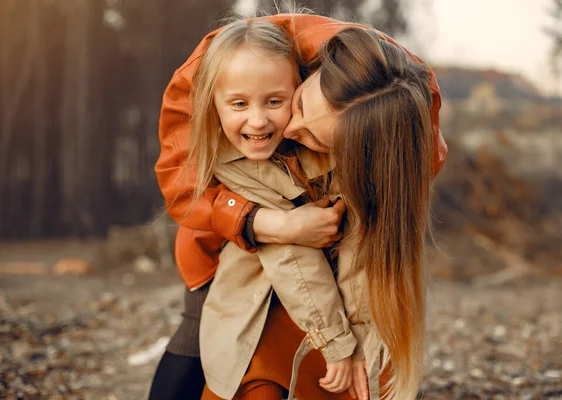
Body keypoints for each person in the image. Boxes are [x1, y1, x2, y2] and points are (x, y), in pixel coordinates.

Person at [150, 13, 447, 400]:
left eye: (316, 139)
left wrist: (351, 342)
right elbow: (181, 184)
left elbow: (370, 242)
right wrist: (269, 224)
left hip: (322, 236)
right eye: (301, 107)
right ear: (309, 74)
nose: (290, 130)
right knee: (200, 330)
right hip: (216, 223)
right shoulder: (226, 78)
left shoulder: (397, 131)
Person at [184, 18, 358, 398]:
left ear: (300, 92)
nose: (258, 120)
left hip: (309, 297)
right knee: (195, 344)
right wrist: (336, 343)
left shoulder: (318, 143)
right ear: (213, 103)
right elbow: (291, 258)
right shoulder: (234, 164)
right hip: (239, 279)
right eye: (239, 103)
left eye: (275, 101)